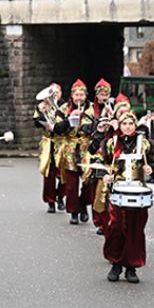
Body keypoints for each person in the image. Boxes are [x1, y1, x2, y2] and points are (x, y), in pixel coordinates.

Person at [89, 110, 154, 283]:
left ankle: (131, 267)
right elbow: (99, 160)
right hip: (118, 190)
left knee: (135, 229)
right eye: (125, 124)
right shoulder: (110, 143)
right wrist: (104, 174)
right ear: (119, 126)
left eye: (131, 124)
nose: (128, 127)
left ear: (135, 126)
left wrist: (150, 168)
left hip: (138, 190)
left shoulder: (145, 144)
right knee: (116, 227)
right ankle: (116, 264)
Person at [55, 79, 91, 225]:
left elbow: (96, 128)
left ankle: (83, 204)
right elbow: (57, 128)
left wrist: (83, 118)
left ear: (86, 95)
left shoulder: (91, 109)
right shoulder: (64, 108)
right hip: (70, 147)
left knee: (89, 181)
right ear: (72, 96)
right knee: (71, 184)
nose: (79, 98)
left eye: (81, 95)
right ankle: (73, 211)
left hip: (85, 148)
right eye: (76, 95)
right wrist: (69, 120)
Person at [34, 82, 66, 214]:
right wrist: (42, 113)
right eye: (52, 92)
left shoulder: (65, 106)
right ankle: (50, 201)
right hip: (48, 142)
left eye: (57, 92)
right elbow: (36, 123)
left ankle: (60, 196)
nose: (54, 95)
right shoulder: (43, 105)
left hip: (62, 142)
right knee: (49, 173)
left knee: (64, 172)